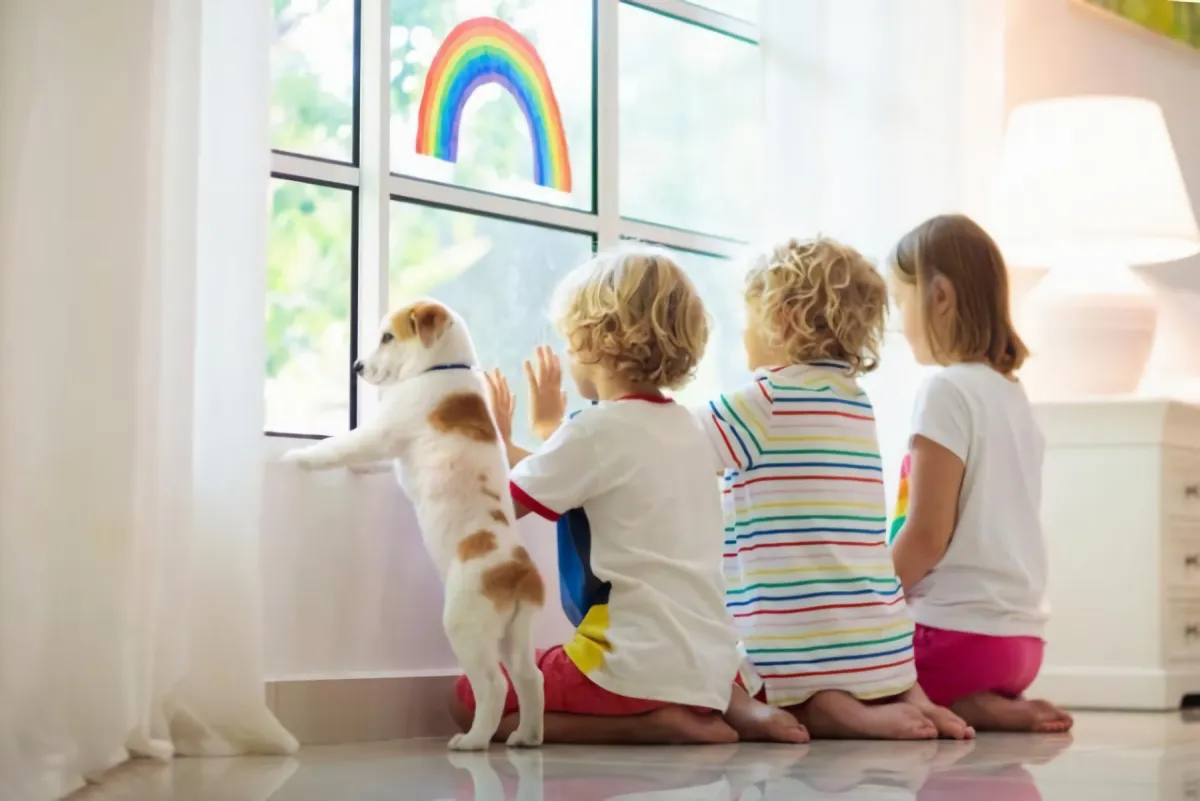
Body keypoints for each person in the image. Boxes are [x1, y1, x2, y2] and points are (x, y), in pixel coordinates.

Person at [450, 246, 803, 744]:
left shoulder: (595, 429)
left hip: (629, 659)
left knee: (469, 698)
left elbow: (508, 506)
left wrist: (476, 446)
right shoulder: (691, 428)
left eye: (570, 341)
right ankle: (697, 710)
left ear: (595, 342)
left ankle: (650, 725)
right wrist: (522, 443)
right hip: (710, 661)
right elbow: (600, 474)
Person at [697, 237, 972, 740]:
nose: (742, 331)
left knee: (721, 659)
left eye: (747, 317)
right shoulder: (855, 402)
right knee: (854, 648)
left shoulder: (761, 401)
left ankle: (837, 711)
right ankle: (902, 696)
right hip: (878, 638)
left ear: (780, 318)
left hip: (796, 640)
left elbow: (671, 449)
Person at [888, 214, 1072, 734]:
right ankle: (987, 699)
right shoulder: (1012, 395)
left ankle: (963, 703)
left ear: (939, 296)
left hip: (951, 643)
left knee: (830, 671)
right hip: (1020, 649)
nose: (899, 322)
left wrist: (870, 603)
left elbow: (925, 537)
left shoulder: (945, 390)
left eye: (901, 301)